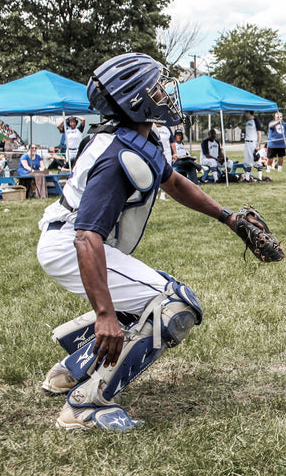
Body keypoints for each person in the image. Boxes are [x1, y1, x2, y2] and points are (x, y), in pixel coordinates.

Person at [35, 52, 261, 432]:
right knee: (174, 306)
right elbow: (86, 237)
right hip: (73, 245)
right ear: (136, 99)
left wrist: (229, 219)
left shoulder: (141, 137)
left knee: (149, 301)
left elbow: (173, 182)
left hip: (77, 242)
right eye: (157, 87)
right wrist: (105, 314)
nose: (166, 93)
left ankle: (71, 371)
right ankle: (86, 405)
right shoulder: (116, 155)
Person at [243, 112, 263, 181]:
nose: (244, 114)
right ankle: (247, 178)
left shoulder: (256, 121)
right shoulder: (247, 122)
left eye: (245, 113)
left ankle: (260, 177)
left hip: (253, 142)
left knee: (255, 159)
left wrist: (258, 145)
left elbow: (259, 133)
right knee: (247, 161)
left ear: (249, 113)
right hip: (247, 142)